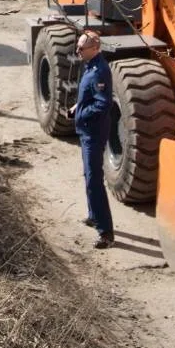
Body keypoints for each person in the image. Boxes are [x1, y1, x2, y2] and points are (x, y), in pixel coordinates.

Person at [69, 30, 113, 248]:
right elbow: (89, 97)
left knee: (94, 180)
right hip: (87, 129)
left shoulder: (98, 71)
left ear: (95, 48)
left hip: (93, 132)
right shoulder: (89, 66)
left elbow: (102, 104)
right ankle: (93, 214)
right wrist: (76, 107)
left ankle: (106, 233)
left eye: (81, 48)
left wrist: (81, 114)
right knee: (88, 175)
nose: (77, 51)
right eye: (77, 47)